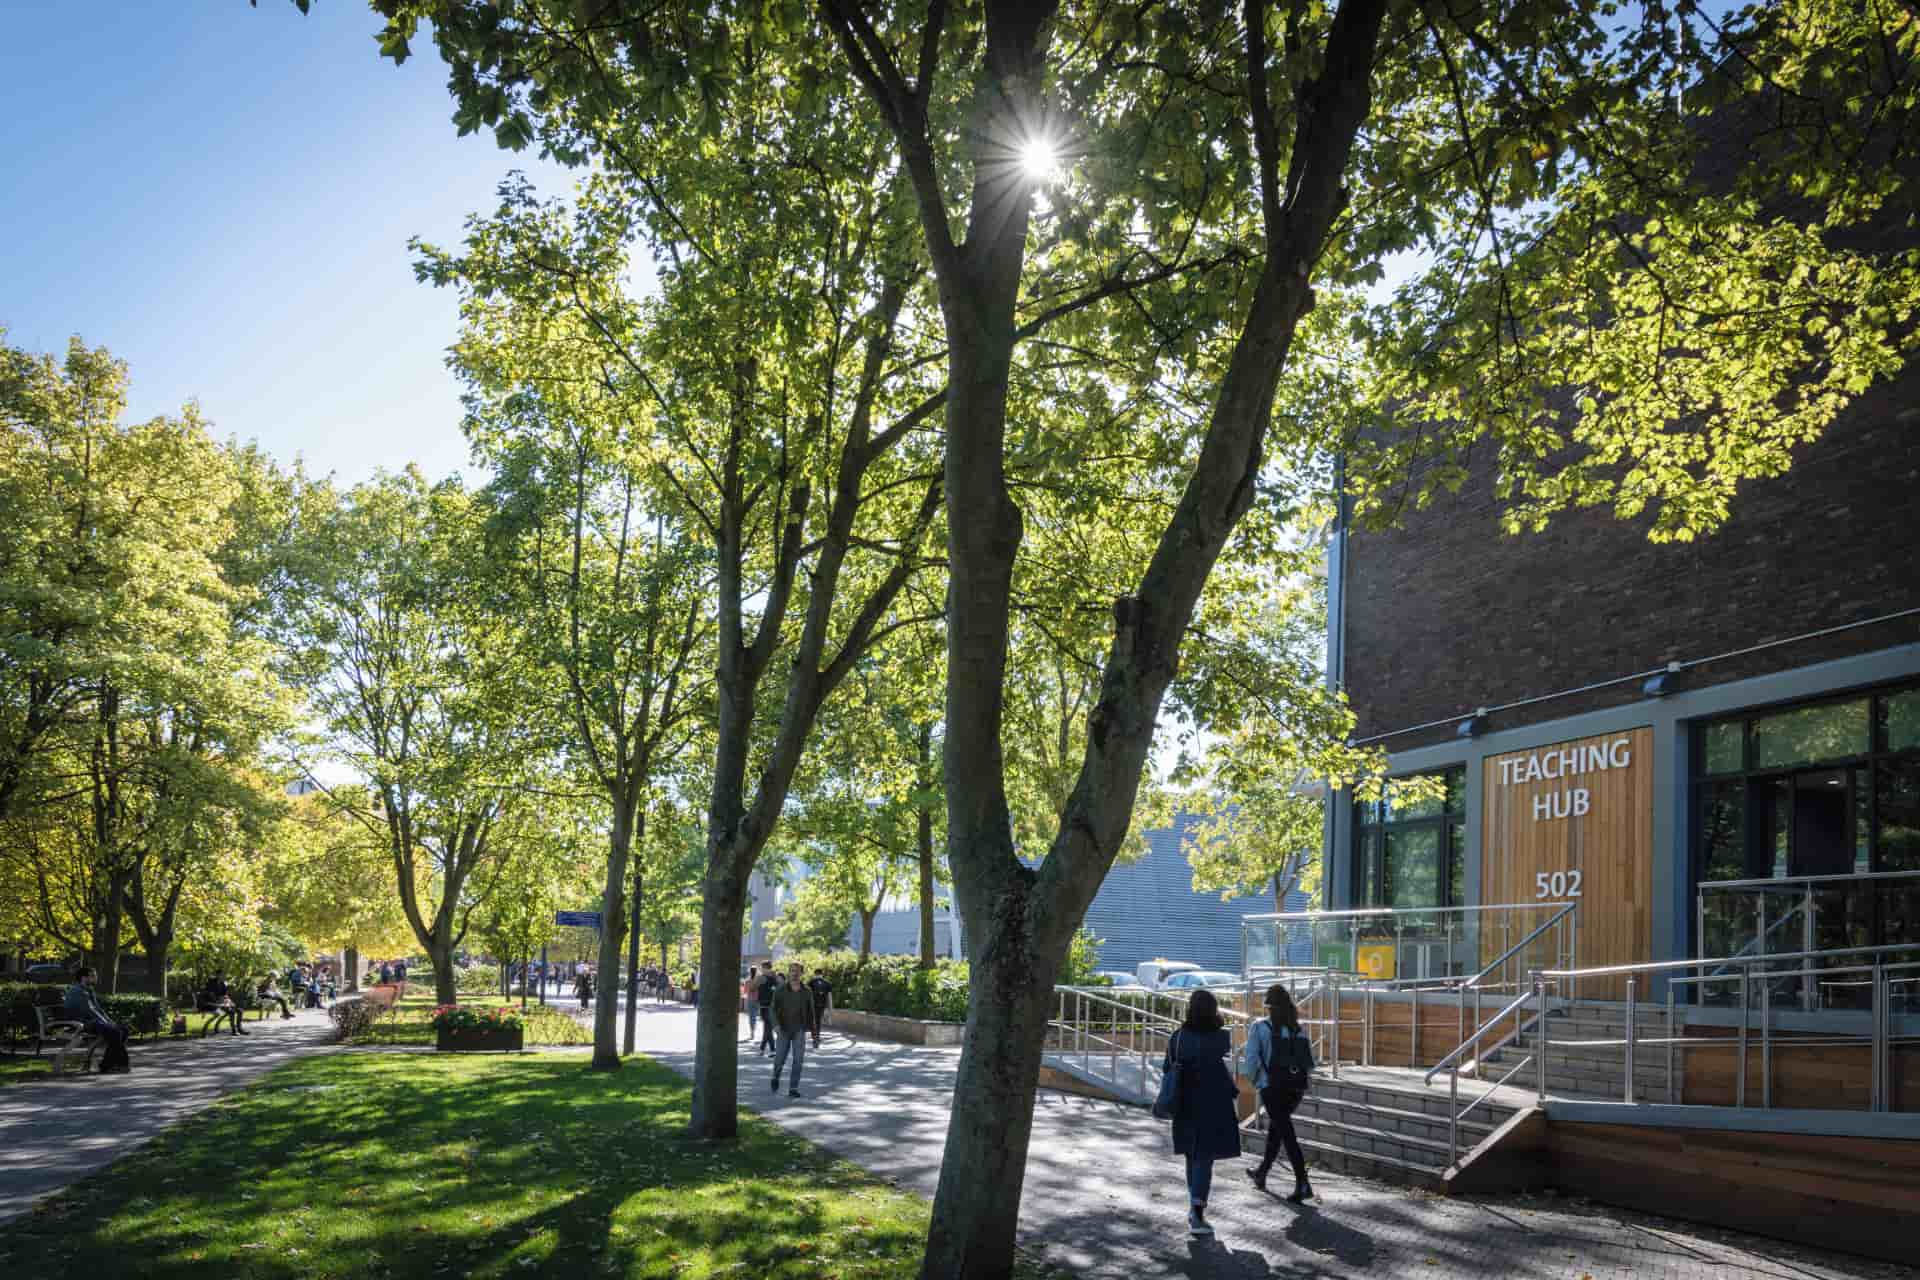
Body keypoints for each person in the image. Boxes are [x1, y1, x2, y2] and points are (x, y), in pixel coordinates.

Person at [1163, 988, 1242, 1238]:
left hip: (1184, 1101)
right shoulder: (1220, 1037)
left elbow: (1167, 1067)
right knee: (1204, 1158)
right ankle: (1197, 1211)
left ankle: (1194, 1207)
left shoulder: (1177, 1037)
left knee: (1191, 1154)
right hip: (1213, 1103)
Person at [1243, 983, 1315, 1203]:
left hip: (1272, 1087)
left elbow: (1251, 1061)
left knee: (1286, 1134)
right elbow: (1310, 1063)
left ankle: (1303, 1183)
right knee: (1278, 1128)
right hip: (1295, 1088)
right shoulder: (1299, 1029)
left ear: (1268, 1005)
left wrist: (1257, 1081)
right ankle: (1262, 1172)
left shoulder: (1259, 1027)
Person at [63, 965, 131, 1072]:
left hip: (92, 1022)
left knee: (123, 1030)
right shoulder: (77, 991)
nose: (95, 978)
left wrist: (110, 1021)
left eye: (95, 976)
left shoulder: (89, 990)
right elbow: (90, 1010)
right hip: (80, 1023)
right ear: (83, 978)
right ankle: (119, 1065)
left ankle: (108, 1065)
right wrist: (108, 1024)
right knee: (115, 1032)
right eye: (92, 976)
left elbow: (98, 1009)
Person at [770, 963, 813, 1098]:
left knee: (798, 1060)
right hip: (783, 1029)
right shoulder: (780, 989)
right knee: (779, 1059)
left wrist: (814, 1033)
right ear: (789, 973)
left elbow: (811, 1011)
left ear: (801, 974)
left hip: (799, 1030)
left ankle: (793, 1088)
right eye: (792, 971)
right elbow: (772, 1009)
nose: (794, 974)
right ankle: (775, 1076)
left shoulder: (807, 991)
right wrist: (776, 1025)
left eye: (797, 971)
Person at [199, 972, 247, 1036]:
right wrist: (221, 1002)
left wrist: (229, 1001)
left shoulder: (222, 984)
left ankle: (240, 1029)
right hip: (211, 1005)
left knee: (240, 1010)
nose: (223, 977)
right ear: (217, 975)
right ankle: (234, 1030)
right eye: (222, 975)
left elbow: (225, 995)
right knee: (231, 1012)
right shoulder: (211, 983)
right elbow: (210, 995)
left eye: (224, 976)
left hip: (220, 1004)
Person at [755, 965, 779, 1054]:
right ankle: (764, 1049)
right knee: (767, 1027)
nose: (762, 970)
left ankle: (771, 1049)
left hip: (768, 1006)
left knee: (768, 1028)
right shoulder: (765, 978)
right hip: (764, 1006)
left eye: (763, 968)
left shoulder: (771, 979)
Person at [807, 969, 833, 1049]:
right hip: (822, 1006)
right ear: (822, 974)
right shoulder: (827, 983)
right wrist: (830, 1010)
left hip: (812, 1006)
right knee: (818, 1023)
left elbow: (807, 995)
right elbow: (829, 998)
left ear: (815, 974)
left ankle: (815, 1037)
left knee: (812, 1022)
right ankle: (817, 1038)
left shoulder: (810, 982)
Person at [741, 967, 760, 1042]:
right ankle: (754, 1030)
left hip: (749, 1000)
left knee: (751, 1016)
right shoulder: (758, 981)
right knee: (755, 1016)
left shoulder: (747, 981)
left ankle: (752, 1032)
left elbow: (745, 992)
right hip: (757, 1000)